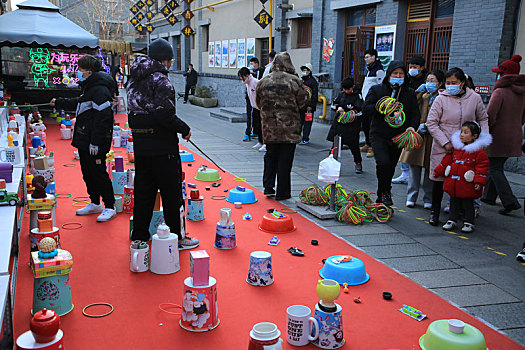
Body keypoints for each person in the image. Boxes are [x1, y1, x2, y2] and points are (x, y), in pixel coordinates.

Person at [126, 38, 199, 249]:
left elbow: (133, 114)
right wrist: (184, 129)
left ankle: (139, 236)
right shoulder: (161, 80)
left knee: (143, 192)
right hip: (162, 146)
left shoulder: (134, 79)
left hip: (140, 144)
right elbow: (165, 116)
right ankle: (177, 237)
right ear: (165, 60)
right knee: (172, 194)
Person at [50, 55, 116, 222]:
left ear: (89, 71)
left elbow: (103, 119)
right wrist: (59, 102)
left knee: (99, 173)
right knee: (87, 172)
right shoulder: (89, 88)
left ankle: (110, 205)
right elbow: (80, 103)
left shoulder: (100, 90)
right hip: (84, 137)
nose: (78, 73)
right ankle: (94, 202)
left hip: (94, 140)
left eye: (80, 69)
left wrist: (96, 141)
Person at [426, 67, 489, 226]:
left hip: (467, 147)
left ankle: (461, 213)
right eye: (447, 83)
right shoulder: (440, 99)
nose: (451, 85)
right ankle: (435, 211)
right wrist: (445, 142)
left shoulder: (474, 98)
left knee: (463, 180)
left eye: (454, 82)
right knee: (439, 179)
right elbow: (431, 123)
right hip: (444, 145)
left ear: (462, 83)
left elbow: (483, 118)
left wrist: (481, 140)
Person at [363, 60, 420, 206]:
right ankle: (385, 191)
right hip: (379, 134)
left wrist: (412, 127)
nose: (398, 76)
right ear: (389, 75)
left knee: (391, 165)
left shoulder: (409, 93)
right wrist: (382, 109)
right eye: (395, 73)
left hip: (398, 136)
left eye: (401, 74)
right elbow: (367, 108)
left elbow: (415, 114)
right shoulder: (377, 90)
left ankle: (383, 192)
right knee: (383, 162)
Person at [256, 52, 310, 200]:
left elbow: (258, 103)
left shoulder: (263, 81)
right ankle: (282, 192)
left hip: (269, 127)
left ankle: (268, 187)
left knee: (270, 156)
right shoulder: (295, 81)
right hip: (289, 128)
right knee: (285, 160)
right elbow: (303, 101)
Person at [482, 55, 525, 215]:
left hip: (498, 136)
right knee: (496, 166)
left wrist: (485, 131)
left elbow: (491, 116)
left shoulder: (500, 92)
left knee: (494, 168)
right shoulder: (523, 93)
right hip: (515, 135)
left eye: (500, 73)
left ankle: (510, 201)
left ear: (504, 75)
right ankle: (489, 196)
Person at [434, 121, 491, 233]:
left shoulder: (479, 152)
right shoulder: (456, 148)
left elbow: (482, 167)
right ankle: (452, 220)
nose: (462, 135)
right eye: (461, 132)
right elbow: (447, 161)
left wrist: (479, 182)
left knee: (468, 204)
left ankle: (469, 222)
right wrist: (438, 170)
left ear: (474, 136)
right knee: (453, 201)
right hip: (455, 183)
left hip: (467, 184)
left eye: (466, 132)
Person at [400, 70, 444, 209]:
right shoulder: (424, 96)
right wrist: (419, 91)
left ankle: (428, 198)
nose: (429, 83)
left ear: (440, 83)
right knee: (414, 167)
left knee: (430, 168)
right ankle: (411, 196)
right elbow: (412, 105)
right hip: (418, 135)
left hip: (433, 136)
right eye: (428, 80)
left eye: (433, 81)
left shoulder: (442, 98)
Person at [392, 55, 429, 185]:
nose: (412, 69)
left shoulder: (426, 81)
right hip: (404, 116)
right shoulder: (407, 79)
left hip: (419, 117)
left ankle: (414, 176)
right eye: (410, 67)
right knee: (404, 145)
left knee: (414, 147)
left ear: (422, 68)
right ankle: (404, 172)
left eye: (415, 67)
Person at [326, 77, 364, 173]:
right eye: (344, 89)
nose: (346, 91)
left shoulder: (357, 96)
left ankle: (358, 162)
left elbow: (361, 111)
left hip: (352, 127)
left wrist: (350, 114)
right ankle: (331, 164)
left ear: (353, 87)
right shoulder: (341, 95)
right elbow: (333, 104)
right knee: (335, 145)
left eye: (348, 89)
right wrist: (338, 108)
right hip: (339, 125)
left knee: (354, 146)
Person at [360, 49, 385, 158]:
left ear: (374, 57)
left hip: (374, 103)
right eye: (365, 57)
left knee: (372, 126)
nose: (366, 59)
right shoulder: (369, 70)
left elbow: (381, 86)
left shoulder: (379, 70)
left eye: (368, 57)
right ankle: (367, 143)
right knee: (365, 125)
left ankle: (373, 147)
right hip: (366, 101)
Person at [238, 67, 264, 150]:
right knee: (257, 126)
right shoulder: (247, 83)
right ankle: (260, 142)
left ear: (247, 75)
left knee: (263, 126)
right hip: (255, 107)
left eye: (242, 77)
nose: (242, 79)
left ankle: (265, 143)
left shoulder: (256, 82)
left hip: (261, 108)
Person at [243, 57, 265, 142]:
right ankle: (255, 132)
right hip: (251, 99)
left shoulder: (258, 74)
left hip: (256, 100)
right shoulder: (252, 75)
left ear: (256, 64)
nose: (250, 66)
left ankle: (248, 133)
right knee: (253, 116)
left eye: (252, 64)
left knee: (252, 116)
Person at [299, 63, 319, 145]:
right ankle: (299, 137)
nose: (304, 72)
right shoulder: (303, 80)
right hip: (302, 105)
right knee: (300, 122)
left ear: (309, 71)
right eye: (303, 70)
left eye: (305, 70)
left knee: (307, 123)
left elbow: (314, 95)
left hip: (308, 107)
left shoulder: (312, 82)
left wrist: (311, 105)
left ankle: (305, 138)